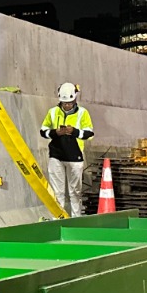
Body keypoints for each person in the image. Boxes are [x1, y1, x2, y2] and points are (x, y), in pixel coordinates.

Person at [40, 82, 95, 216]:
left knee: (75, 192)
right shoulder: (52, 112)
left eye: (70, 102)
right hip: (56, 155)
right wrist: (55, 133)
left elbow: (89, 134)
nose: (67, 105)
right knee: (57, 192)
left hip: (74, 156)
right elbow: (43, 131)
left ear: (75, 99)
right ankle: (58, 218)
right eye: (65, 103)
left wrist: (75, 132)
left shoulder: (83, 113)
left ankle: (76, 219)